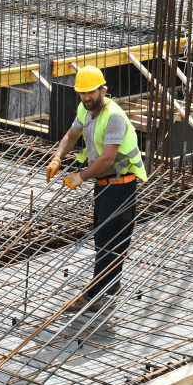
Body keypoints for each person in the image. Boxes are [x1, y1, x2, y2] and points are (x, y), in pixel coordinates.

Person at [45, 65, 148, 313]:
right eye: (82, 93)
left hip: (120, 186)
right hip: (104, 184)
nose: (86, 97)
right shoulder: (86, 108)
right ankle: (111, 283)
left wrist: (80, 176)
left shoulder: (113, 117)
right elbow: (71, 135)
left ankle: (93, 296)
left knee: (109, 240)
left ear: (103, 90)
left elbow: (106, 160)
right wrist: (57, 158)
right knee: (107, 238)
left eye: (91, 92)